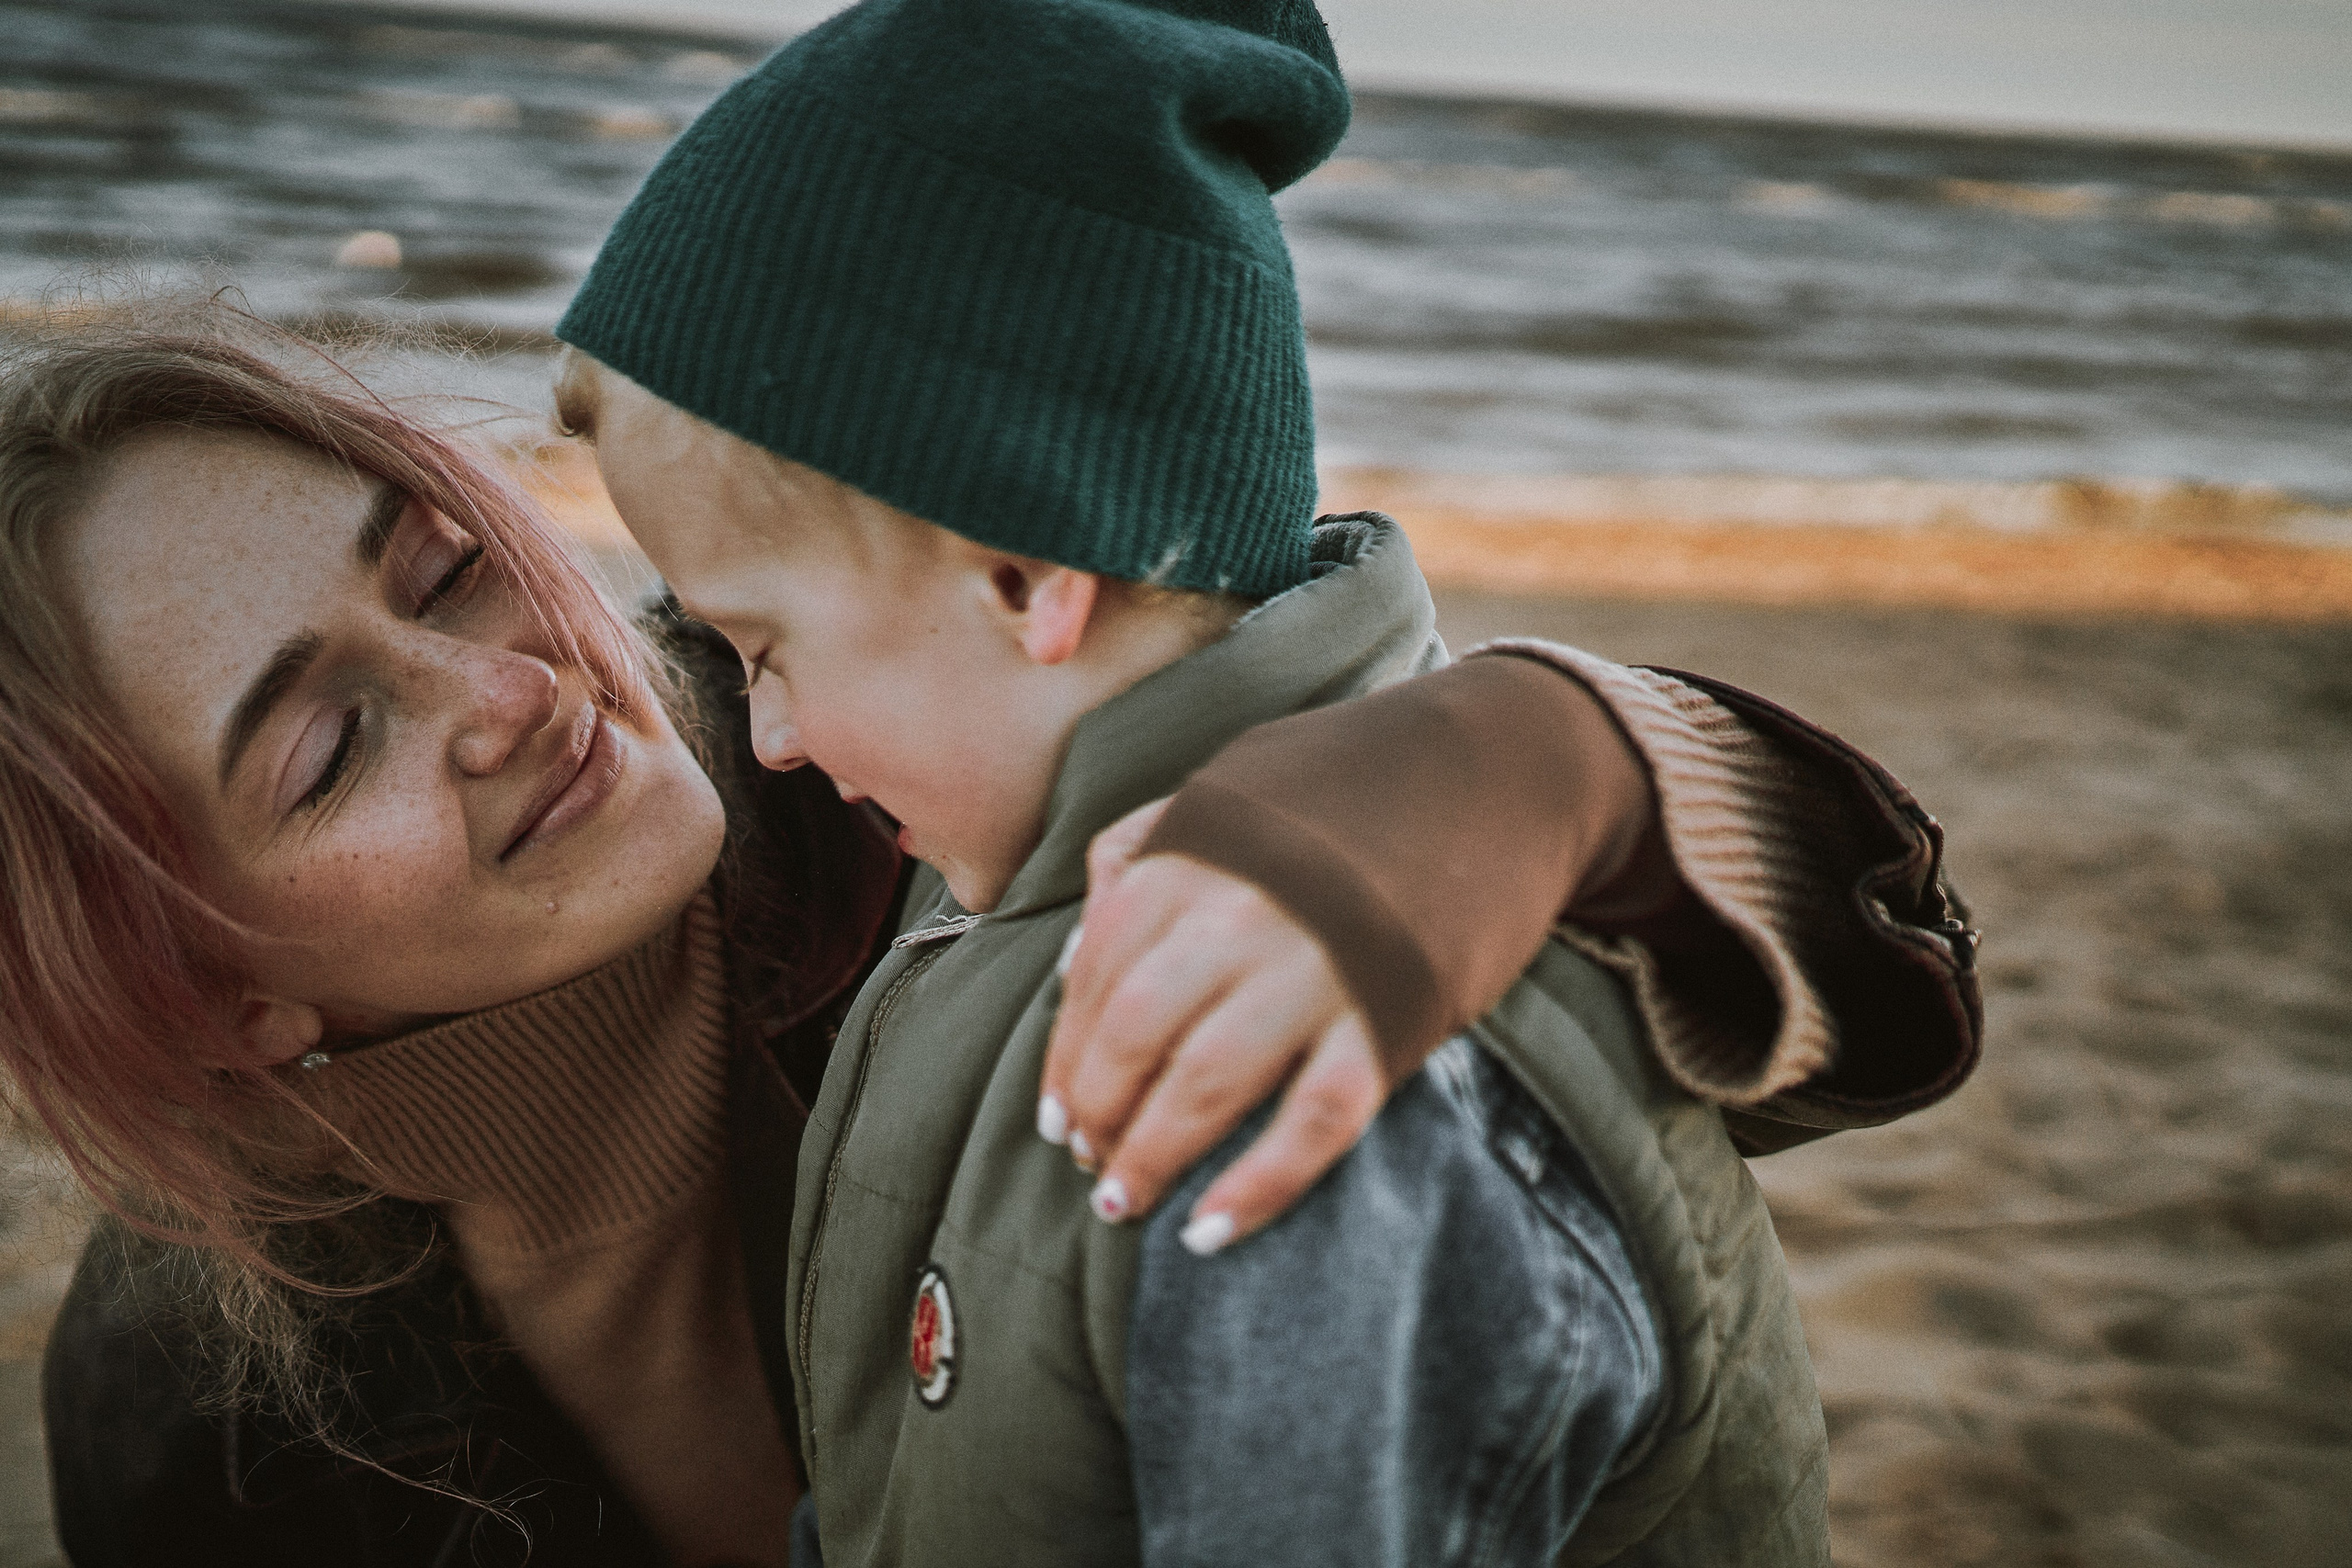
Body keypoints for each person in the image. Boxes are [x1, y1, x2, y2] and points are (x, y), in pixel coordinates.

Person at [17, 314, 1971, 1568]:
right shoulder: (199, 1402)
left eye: (447, 566)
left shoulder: (909, 762)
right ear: (212, 986)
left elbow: (1876, 1018)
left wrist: (1531, 757)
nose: (503, 685)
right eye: (327, 740)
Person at [543, 0, 1982, 1562]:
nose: (771, 741)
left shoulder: (1309, 1093)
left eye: (765, 648)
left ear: (1025, 578)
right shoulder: (1003, 859)